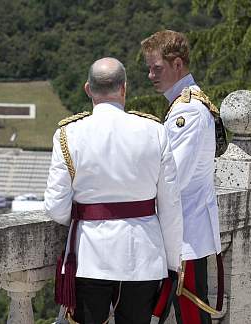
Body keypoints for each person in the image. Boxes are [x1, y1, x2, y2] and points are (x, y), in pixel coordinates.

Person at [45, 57, 183, 324]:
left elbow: (55, 207)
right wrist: (173, 261)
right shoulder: (155, 131)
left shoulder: (68, 134)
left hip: (90, 257)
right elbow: (170, 206)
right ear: (124, 88)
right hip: (143, 257)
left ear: (88, 89)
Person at [141, 30, 224, 324]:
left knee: (191, 316)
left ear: (177, 65)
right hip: (184, 231)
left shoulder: (187, 111)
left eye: (157, 68)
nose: (150, 75)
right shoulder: (183, 104)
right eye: (149, 68)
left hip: (184, 233)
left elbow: (174, 177)